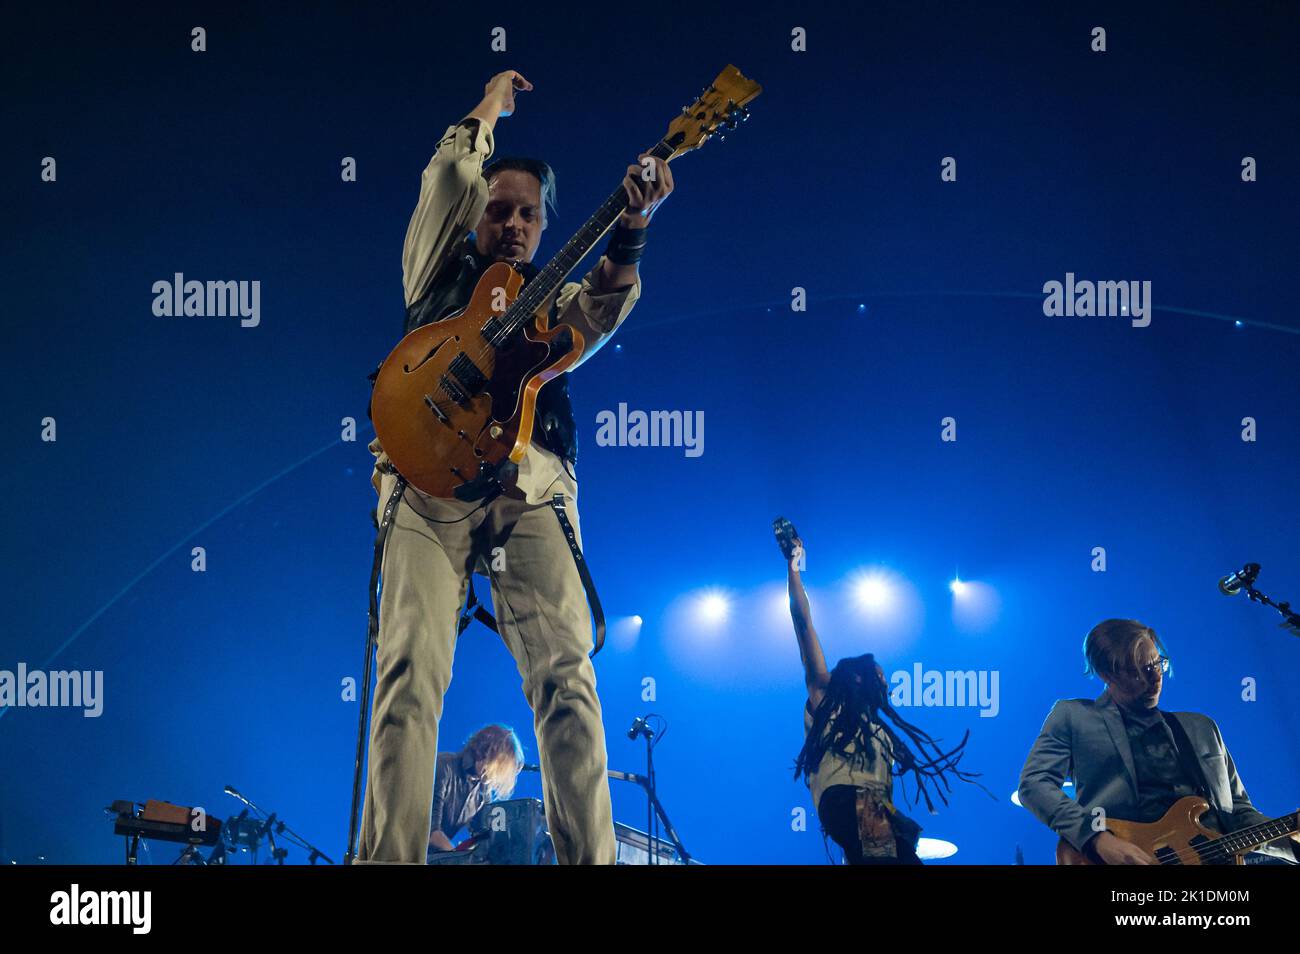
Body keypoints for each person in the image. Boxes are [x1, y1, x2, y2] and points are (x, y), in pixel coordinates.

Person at [357, 69, 673, 865]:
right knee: (409, 675)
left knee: (568, 681)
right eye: (500, 210)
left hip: (531, 482)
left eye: (530, 214)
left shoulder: (549, 298)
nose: (515, 224)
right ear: (476, 218)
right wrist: (486, 112)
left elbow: (602, 309)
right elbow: (448, 177)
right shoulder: (439, 268)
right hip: (427, 483)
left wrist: (633, 226)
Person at [1018, 618, 1299, 864]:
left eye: (1156, 664)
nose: (1153, 679)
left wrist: (1293, 839)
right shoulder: (1074, 716)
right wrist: (1097, 839)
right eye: (1136, 671)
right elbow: (1034, 784)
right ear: (1106, 673)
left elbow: (1238, 812)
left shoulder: (1202, 728)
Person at [782, 529, 983, 864]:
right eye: (880, 677)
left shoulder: (877, 731)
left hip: (870, 811)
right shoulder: (827, 699)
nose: (886, 685)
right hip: (849, 800)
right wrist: (794, 569)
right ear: (856, 678)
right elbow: (804, 625)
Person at [427, 724, 525, 853]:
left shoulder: (483, 792)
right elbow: (429, 831)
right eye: (499, 767)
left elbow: (483, 837)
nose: (496, 777)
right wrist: (459, 856)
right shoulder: (443, 767)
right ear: (481, 753)